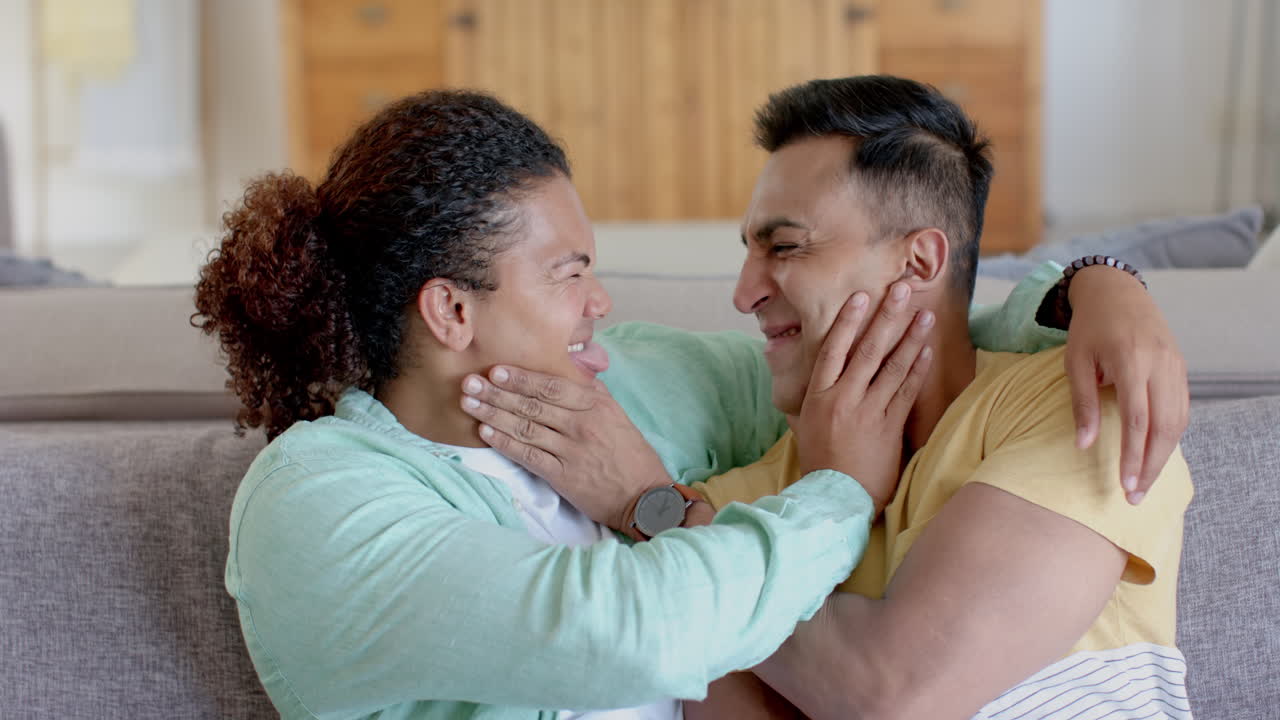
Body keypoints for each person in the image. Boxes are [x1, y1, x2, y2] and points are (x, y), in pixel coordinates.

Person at [194, 89, 1187, 719]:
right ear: (450, 310)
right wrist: (835, 490)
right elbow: (645, 636)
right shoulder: (315, 501)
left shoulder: (634, 387)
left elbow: (910, 342)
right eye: (568, 272)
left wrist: (1090, 290)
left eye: (780, 246)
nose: (600, 303)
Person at [691, 77, 1193, 718]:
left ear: (920, 262)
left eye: (785, 247)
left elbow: (892, 695)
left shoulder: (1079, 403)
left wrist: (693, 552)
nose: (745, 293)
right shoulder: (741, 498)